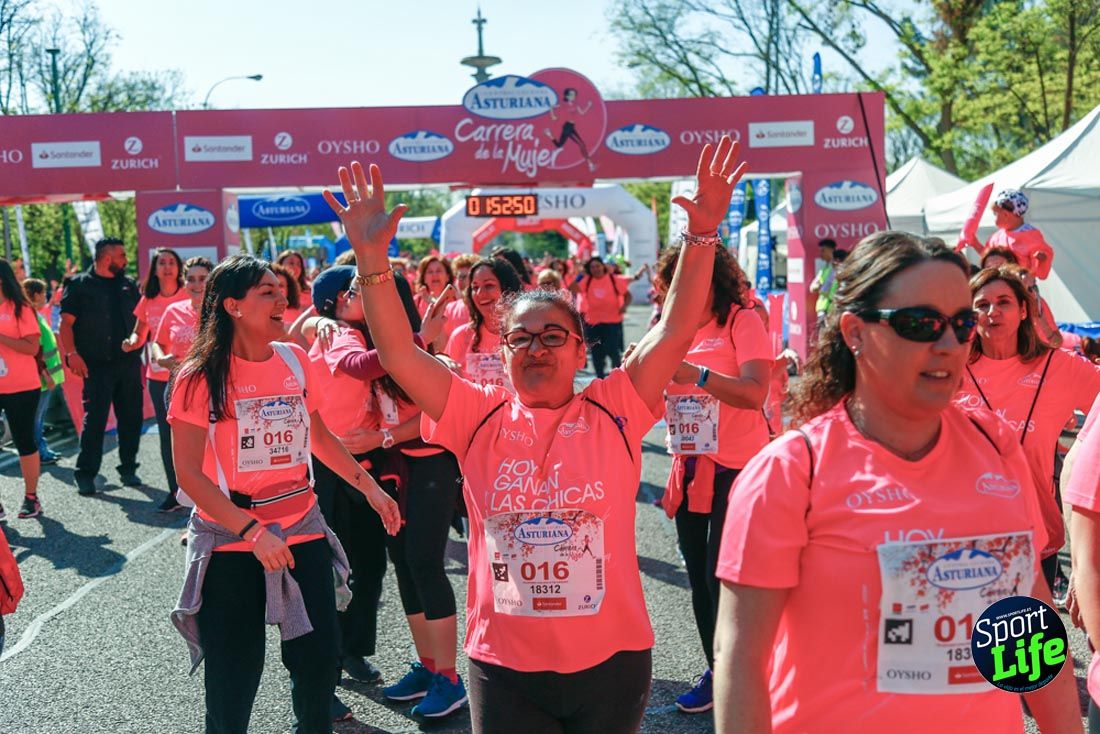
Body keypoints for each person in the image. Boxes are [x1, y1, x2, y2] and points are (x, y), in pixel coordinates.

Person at [322, 135, 744, 733]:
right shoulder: (475, 414)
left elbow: (675, 328)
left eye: (553, 336)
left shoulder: (618, 403)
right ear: (505, 348)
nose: (536, 348)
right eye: (521, 337)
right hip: (505, 667)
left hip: (613, 660)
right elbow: (395, 352)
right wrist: (370, 259)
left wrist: (701, 236)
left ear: (580, 350)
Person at [711, 232, 1081, 734]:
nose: (949, 344)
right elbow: (742, 662)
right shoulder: (791, 471)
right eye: (921, 324)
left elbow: (1031, 627)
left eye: (961, 323)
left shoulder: (995, 446)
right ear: (855, 332)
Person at [167, 254, 400, 734]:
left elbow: (319, 437)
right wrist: (251, 531)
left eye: (281, 289)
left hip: (302, 531)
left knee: (317, 665)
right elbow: (189, 475)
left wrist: (370, 489)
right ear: (232, 305)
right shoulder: (197, 378)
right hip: (233, 541)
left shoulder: (294, 359)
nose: (283, 299)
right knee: (234, 677)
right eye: (268, 292)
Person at [654, 243, 772, 714]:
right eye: (672, 283)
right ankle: (716, 667)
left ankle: (743, 672)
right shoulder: (669, 328)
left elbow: (755, 393)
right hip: (689, 466)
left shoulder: (742, 319)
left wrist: (697, 374)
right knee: (699, 580)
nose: (677, 290)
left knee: (721, 578)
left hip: (738, 469)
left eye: (688, 278)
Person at [955, 264, 1100, 589]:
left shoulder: (1059, 366)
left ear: (1023, 310)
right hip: (963, 543)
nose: (992, 312)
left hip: (1037, 538)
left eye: (1004, 302)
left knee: (1031, 640)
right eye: (982, 304)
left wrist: (1082, 460)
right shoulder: (951, 369)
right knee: (974, 639)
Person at [59, 237, 144, 496]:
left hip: (128, 364)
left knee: (131, 418)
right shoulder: (79, 285)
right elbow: (66, 325)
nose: (126, 260)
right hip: (95, 367)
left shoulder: (129, 286)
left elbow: (144, 321)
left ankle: (128, 468)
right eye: (122, 255)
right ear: (107, 258)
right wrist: (72, 354)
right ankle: (85, 474)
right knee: (94, 421)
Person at [124, 247, 188, 499]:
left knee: (193, 434)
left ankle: (202, 491)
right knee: (166, 435)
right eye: (162, 262)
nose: (167, 266)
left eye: (172, 262)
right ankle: (175, 491)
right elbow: (139, 334)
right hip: (159, 378)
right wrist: (130, 342)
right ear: (155, 268)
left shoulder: (187, 295)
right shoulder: (148, 299)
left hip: (189, 376)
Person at [149, 256, 212, 511]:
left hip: (211, 388)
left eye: (202, 279)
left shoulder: (221, 311)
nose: (196, 284)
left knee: (209, 448)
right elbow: (157, 341)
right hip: (176, 387)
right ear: (184, 282)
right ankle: (177, 493)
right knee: (174, 444)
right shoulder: (173, 310)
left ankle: (209, 507)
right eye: (191, 279)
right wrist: (160, 358)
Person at [0, 258, 46, 520]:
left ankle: (31, 498)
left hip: (21, 386)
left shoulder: (21, 309)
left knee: (24, 440)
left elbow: (32, 348)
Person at [443, 258, 523, 391]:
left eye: (489, 285)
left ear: (507, 289)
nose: (480, 293)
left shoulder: (529, 334)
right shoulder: (461, 336)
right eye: (475, 287)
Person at [965, 189, 1054, 280]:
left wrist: (1042, 260)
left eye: (995, 214)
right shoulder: (997, 237)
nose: (994, 217)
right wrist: (975, 243)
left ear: (1006, 215)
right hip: (999, 283)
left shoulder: (1031, 236)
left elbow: (1040, 270)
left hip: (1023, 287)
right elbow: (990, 258)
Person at [568, 256, 632, 379]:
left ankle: (618, 377)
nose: (595, 269)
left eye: (598, 266)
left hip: (612, 322)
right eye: (592, 267)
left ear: (603, 266)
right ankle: (600, 378)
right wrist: (581, 274)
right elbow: (572, 288)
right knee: (596, 353)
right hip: (593, 323)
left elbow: (628, 295)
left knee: (613, 352)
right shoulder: (587, 280)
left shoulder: (613, 279)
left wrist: (624, 306)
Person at [22, 278, 63, 465]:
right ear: (35, 294)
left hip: (45, 378)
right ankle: (39, 452)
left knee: (38, 417)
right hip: (42, 379)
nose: (45, 296)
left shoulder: (34, 314)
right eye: (43, 292)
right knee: (36, 419)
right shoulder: (30, 317)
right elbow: (37, 352)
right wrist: (46, 376)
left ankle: (41, 449)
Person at [808, 238, 837, 328]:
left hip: (830, 309)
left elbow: (825, 289)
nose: (821, 254)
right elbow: (812, 288)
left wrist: (818, 287)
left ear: (831, 250)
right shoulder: (824, 269)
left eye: (823, 251)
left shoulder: (834, 268)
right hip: (823, 309)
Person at [272, 263, 304, 327]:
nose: (277, 289)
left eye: (281, 285)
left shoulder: (296, 315)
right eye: (271, 285)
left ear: (288, 290)